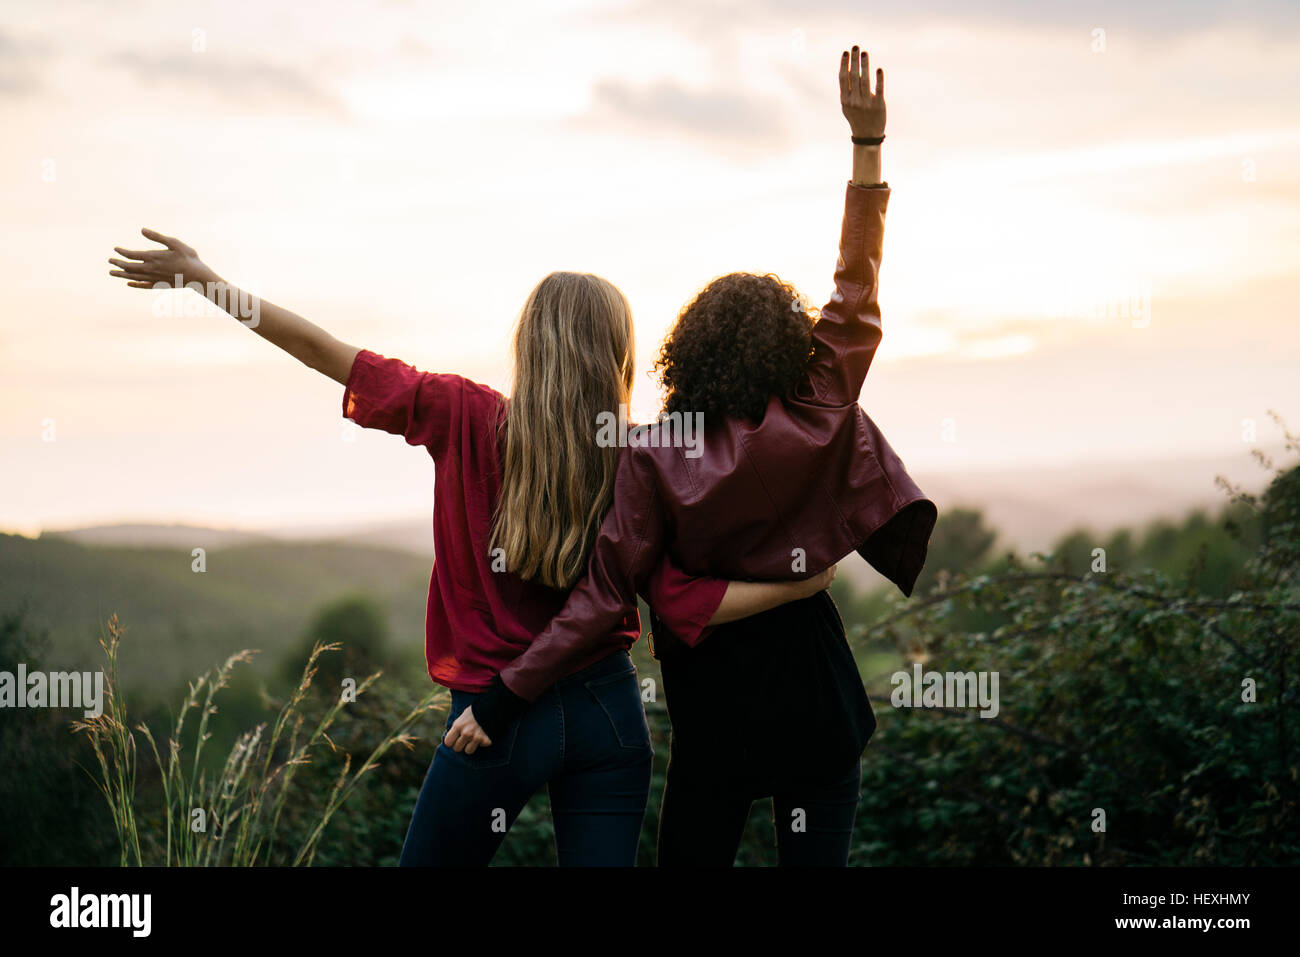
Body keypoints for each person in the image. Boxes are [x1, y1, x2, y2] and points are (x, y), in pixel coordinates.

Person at [107, 233, 828, 868]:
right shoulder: (638, 458)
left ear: (530, 344)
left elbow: (326, 352)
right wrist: (799, 580)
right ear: (619, 356)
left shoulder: (461, 413)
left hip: (491, 716)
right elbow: (682, 595)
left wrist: (206, 280)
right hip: (609, 715)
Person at [449, 45, 939, 866]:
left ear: (686, 354)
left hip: (717, 714)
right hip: (818, 695)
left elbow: (600, 599)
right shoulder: (820, 395)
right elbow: (858, 283)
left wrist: (502, 698)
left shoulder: (653, 458)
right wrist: (866, 147)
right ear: (788, 343)